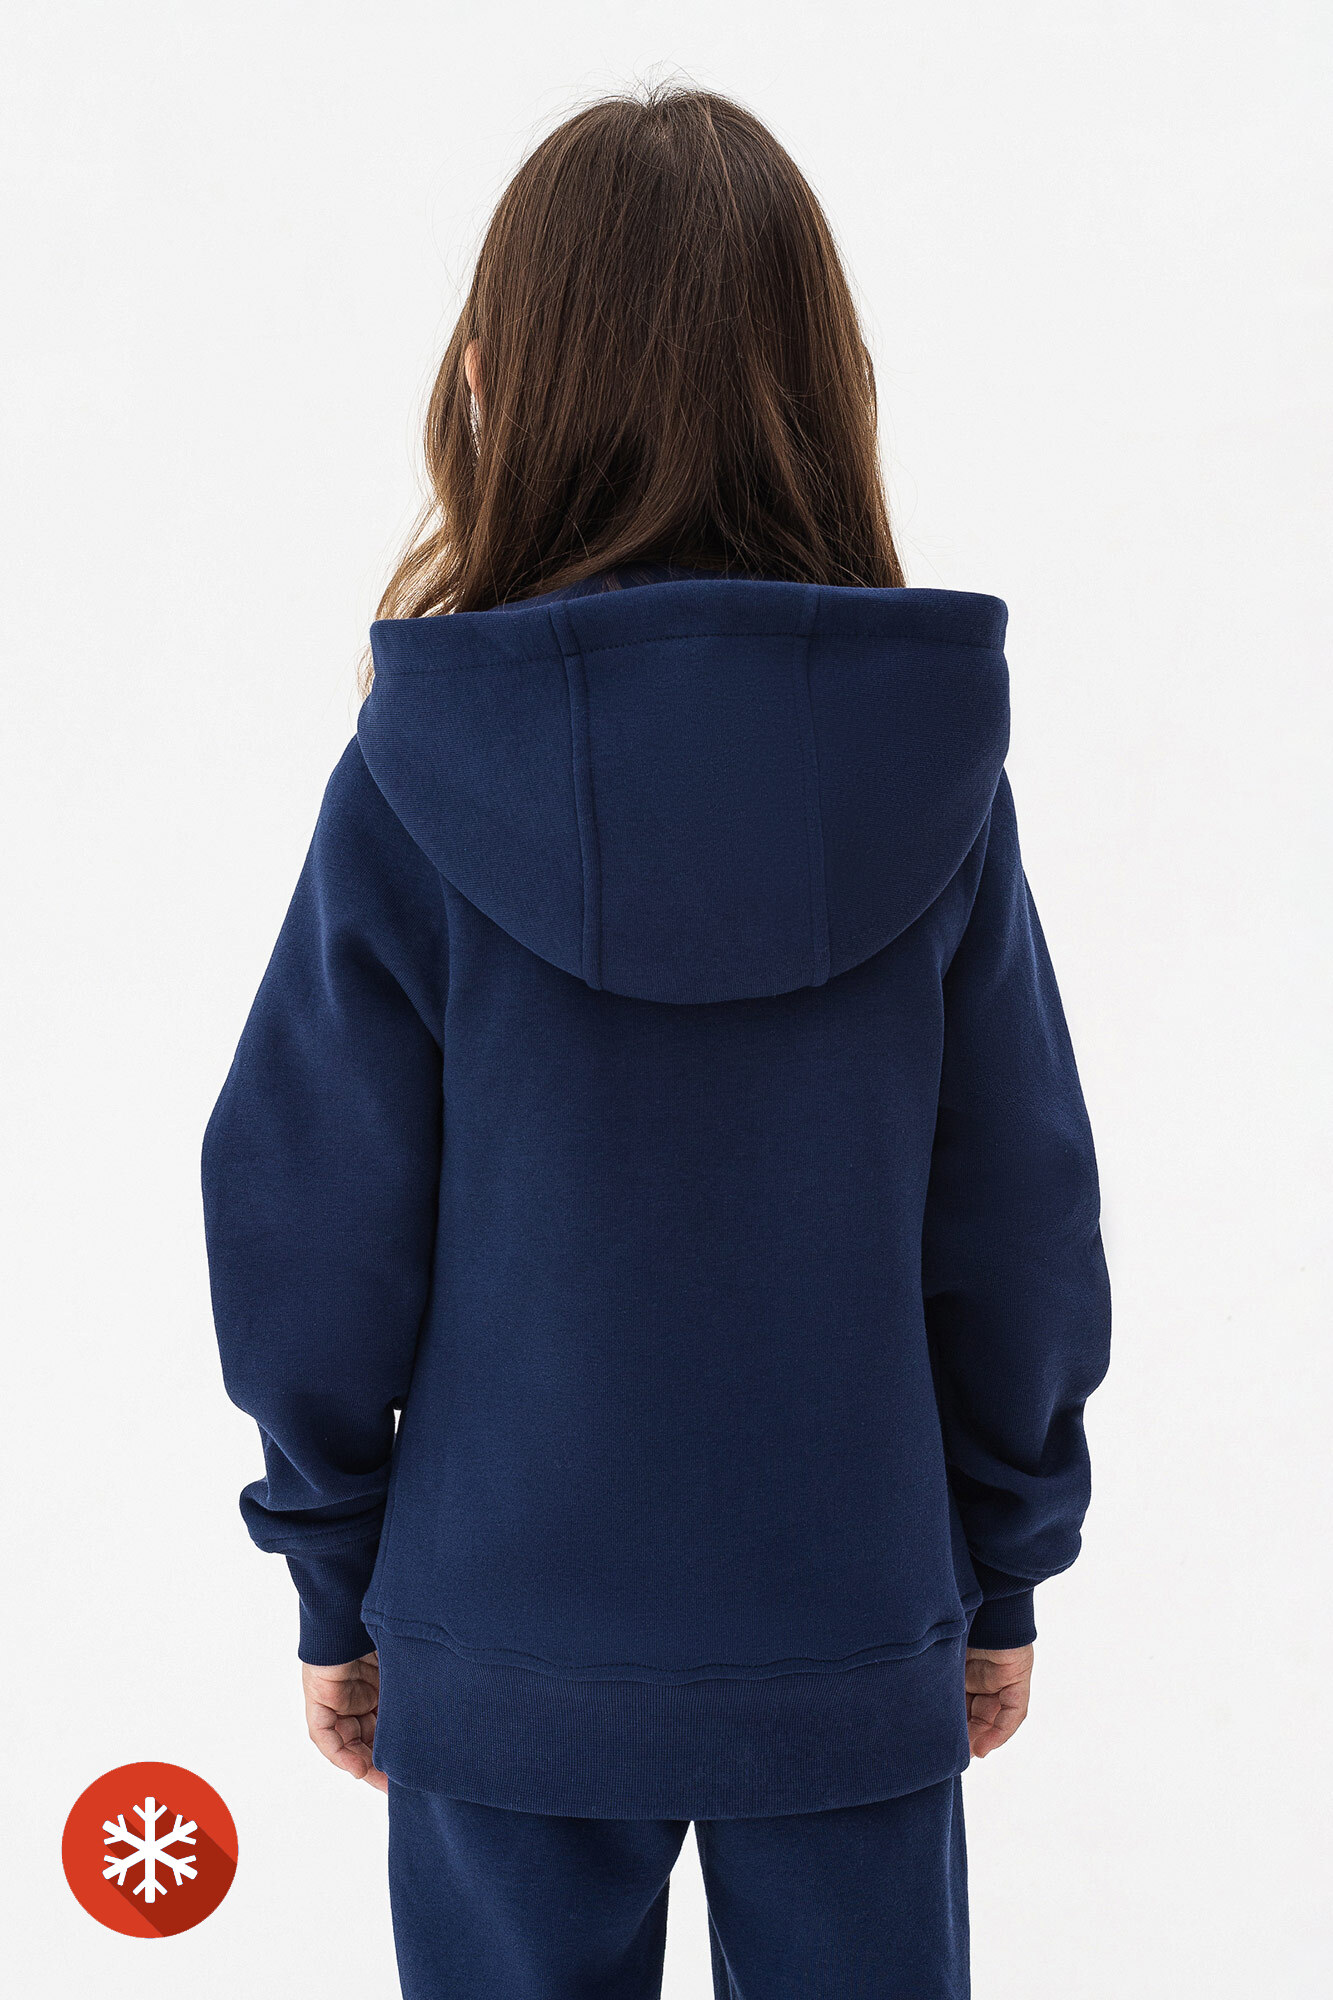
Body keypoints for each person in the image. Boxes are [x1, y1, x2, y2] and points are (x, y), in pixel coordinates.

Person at [203, 84, 1111, 2000]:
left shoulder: (415, 773)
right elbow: (1018, 1213)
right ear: (823, 379)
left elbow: (301, 1217)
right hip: (850, 1620)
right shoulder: (933, 771)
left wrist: (335, 1575)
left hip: (498, 1636)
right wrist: (1003, 1558)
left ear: (492, 376)